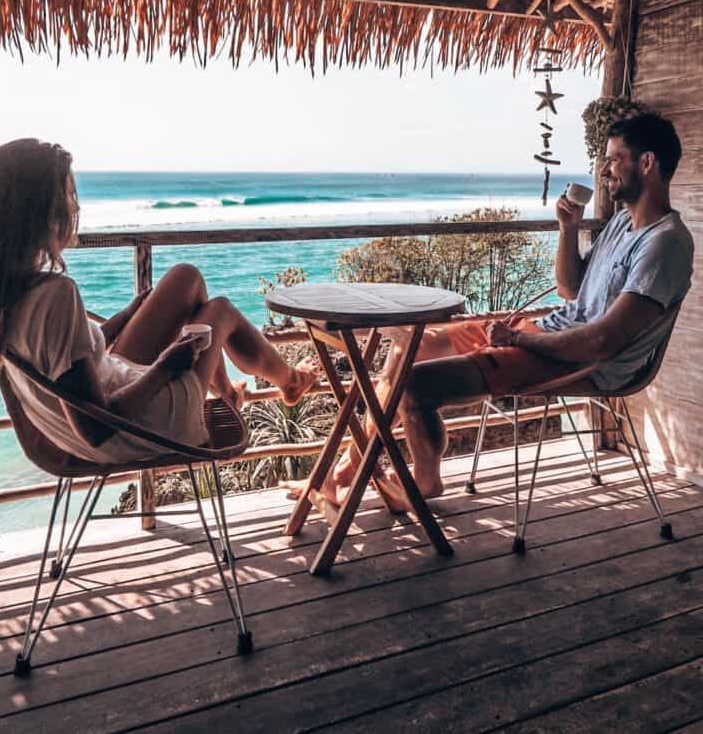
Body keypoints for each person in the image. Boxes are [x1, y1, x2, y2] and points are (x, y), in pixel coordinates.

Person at [293, 112, 693, 510]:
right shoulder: (622, 225)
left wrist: (517, 339)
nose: (605, 170)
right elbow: (571, 289)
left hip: (581, 361)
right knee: (409, 349)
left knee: (414, 386)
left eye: (614, 159)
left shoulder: (664, 244)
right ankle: (347, 470)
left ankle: (424, 482)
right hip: (545, 334)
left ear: (647, 163)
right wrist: (568, 230)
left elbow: (604, 341)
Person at [0, 139, 317, 464]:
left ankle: (228, 388)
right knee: (219, 310)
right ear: (37, 212)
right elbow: (95, 427)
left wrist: (123, 318)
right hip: (139, 426)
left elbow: (67, 361)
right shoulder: (56, 296)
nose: (73, 210)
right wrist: (165, 366)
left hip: (105, 396)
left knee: (187, 279)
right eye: (65, 198)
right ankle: (287, 381)